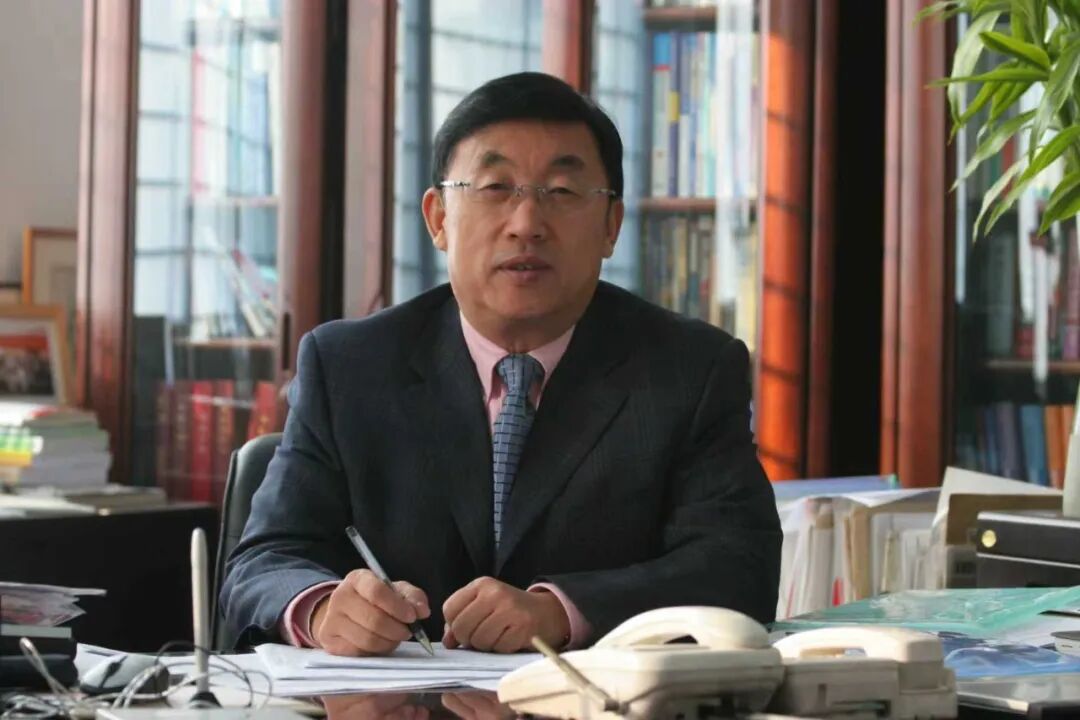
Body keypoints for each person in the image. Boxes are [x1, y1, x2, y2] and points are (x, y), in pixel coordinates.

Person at [220, 71, 781, 656]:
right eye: (495, 188)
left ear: (611, 226)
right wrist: (320, 608)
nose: (526, 224)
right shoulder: (348, 367)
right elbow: (263, 561)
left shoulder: (689, 370)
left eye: (561, 192)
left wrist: (561, 612)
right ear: (439, 218)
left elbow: (738, 567)